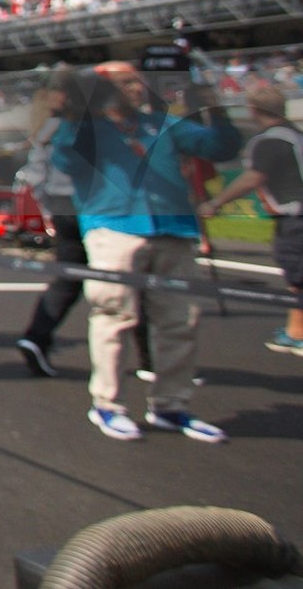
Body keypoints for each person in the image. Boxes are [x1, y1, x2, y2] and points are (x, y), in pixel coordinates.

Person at [53, 56, 241, 442]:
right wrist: (75, 114)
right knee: (113, 315)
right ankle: (107, 403)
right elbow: (65, 160)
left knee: (179, 320)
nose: (134, 88)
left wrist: (214, 107)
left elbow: (220, 146)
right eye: (123, 82)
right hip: (114, 227)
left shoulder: (163, 124)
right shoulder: (86, 128)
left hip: (172, 227)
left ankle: (171, 404)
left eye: (136, 82)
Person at [198, 81, 303, 356]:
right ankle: (295, 331)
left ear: (254, 110)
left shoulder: (270, 140)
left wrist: (216, 202)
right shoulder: (294, 134)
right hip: (293, 216)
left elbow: (253, 177)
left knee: (297, 273)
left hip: (294, 216)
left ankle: (298, 333)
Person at [15, 67, 88, 377]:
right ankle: (150, 358)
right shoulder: (86, 126)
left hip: (62, 206)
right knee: (130, 279)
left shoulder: (50, 127)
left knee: (69, 276)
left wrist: (46, 210)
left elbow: (36, 173)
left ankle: (37, 335)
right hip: (89, 207)